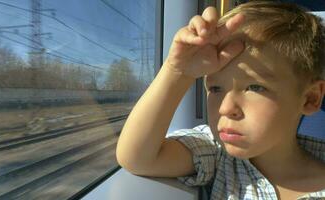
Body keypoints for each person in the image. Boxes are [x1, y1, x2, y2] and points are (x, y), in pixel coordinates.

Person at [116, 1, 325, 200]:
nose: (225, 108)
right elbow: (138, 158)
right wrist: (177, 71)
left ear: (310, 98)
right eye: (215, 88)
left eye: (255, 87)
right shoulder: (217, 154)